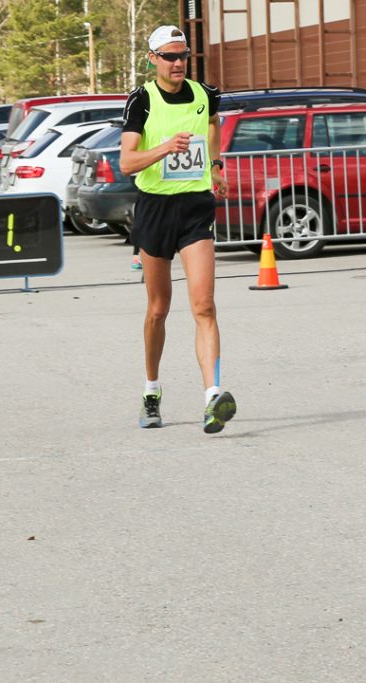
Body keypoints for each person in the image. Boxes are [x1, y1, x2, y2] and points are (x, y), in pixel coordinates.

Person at [120, 24, 236, 434]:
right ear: (152, 59)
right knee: (158, 309)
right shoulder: (142, 101)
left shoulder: (205, 94)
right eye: (169, 56)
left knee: (204, 306)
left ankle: (212, 397)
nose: (177, 63)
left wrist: (216, 165)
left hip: (194, 207)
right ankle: (152, 391)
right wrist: (165, 148)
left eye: (182, 56)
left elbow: (212, 125)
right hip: (154, 209)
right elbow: (127, 163)